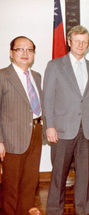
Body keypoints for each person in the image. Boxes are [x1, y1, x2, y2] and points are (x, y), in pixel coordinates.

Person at [44, 25, 89, 214]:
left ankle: (83, 210)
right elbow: (48, 99)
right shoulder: (55, 65)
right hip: (62, 130)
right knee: (59, 175)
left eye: (84, 42)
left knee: (84, 176)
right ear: (69, 42)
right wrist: (49, 126)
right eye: (77, 41)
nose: (80, 45)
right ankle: (54, 210)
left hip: (86, 130)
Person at [0, 36, 42, 215]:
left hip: (35, 132)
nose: (25, 53)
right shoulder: (2, 76)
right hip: (11, 138)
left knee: (29, 181)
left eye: (29, 50)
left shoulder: (37, 76)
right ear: (11, 53)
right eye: (20, 49)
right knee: (11, 185)